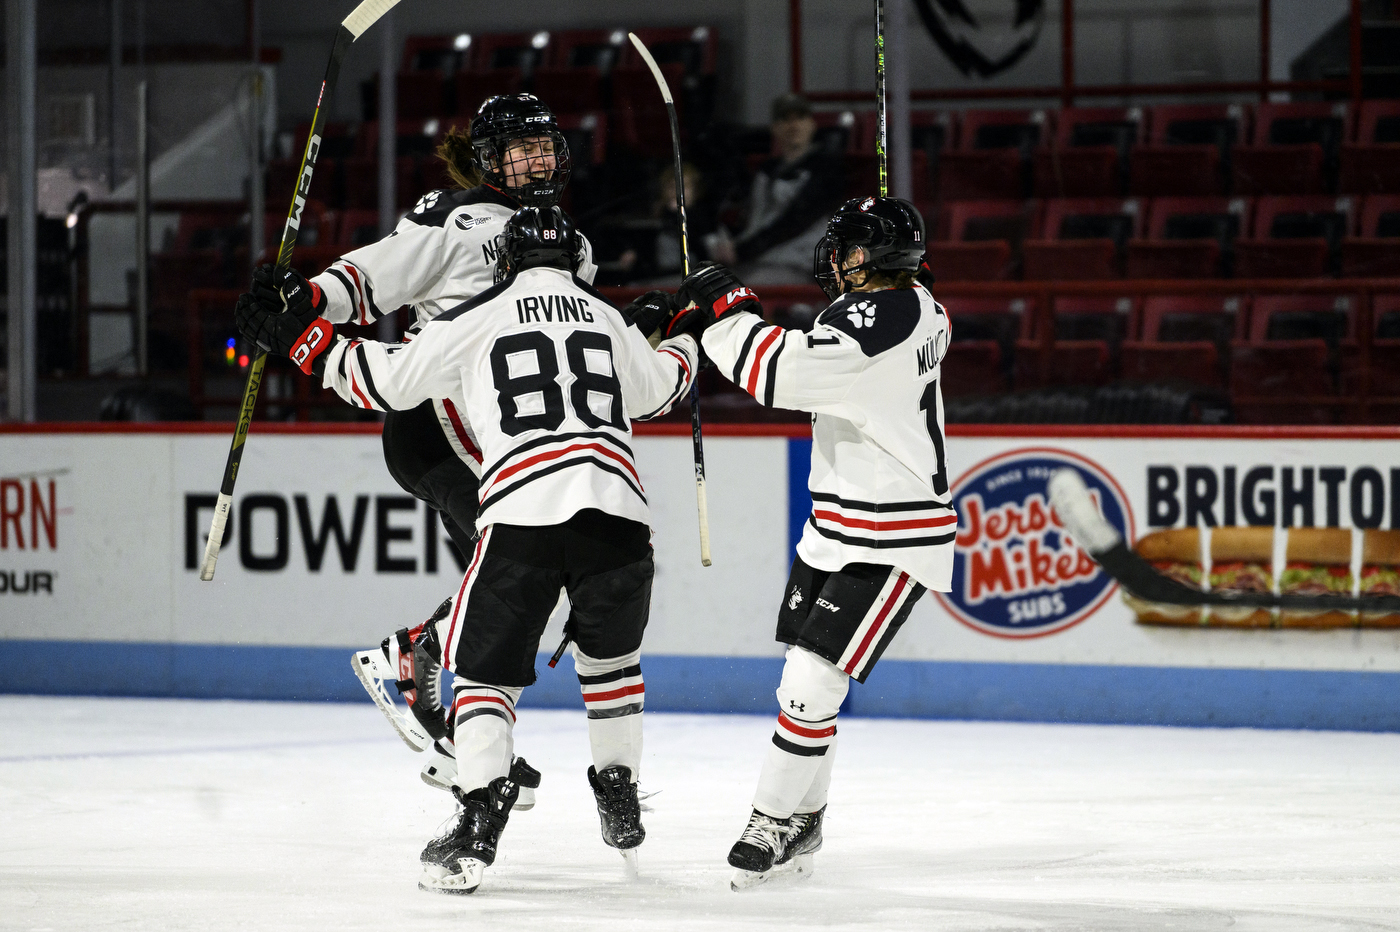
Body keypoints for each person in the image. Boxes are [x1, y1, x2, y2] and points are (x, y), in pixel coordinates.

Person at [235, 206, 698, 894]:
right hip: (621, 518)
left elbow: (384, 382)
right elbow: (664, 387)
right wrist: (687, 331)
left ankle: (479, 820)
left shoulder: (475, 316)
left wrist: (303, 340)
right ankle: (619, 794)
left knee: (488, 678)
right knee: (612, 662)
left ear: (504, 261)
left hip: (522, 516)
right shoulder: (606, 318)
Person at [242, 93, 593, 795]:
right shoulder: (454, 218)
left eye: (543, 145)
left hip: (501, 439)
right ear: (490, 160)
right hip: (438, 422)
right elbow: (372, 278)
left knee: (525, 585)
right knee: (524, 571)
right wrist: (302, 302)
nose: (535, 160)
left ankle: (458, 724)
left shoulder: (570, 243)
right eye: (518, 148)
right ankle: (419, 663)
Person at [664, 196, 952, 890]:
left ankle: (768, 819)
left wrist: (726, 310)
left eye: (847, 250)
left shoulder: (881, 317)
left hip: (892, 535)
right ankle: (808, 816)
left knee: (809, 684)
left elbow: (778, 374)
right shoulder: (917, 305)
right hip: (836, 527)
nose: (834, 262)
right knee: (804, 685)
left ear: (875, 257)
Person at [708, 93, 845, 284]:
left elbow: (794, 221)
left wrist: (741, 251)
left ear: (812, 124)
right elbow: (751, 218)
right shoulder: (766, 172)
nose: (793, 126)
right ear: (775, 128)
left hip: (800, 266)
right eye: (785, 119)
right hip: (757, 260)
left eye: (800, 118)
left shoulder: (826, 169)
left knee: (742, 291)